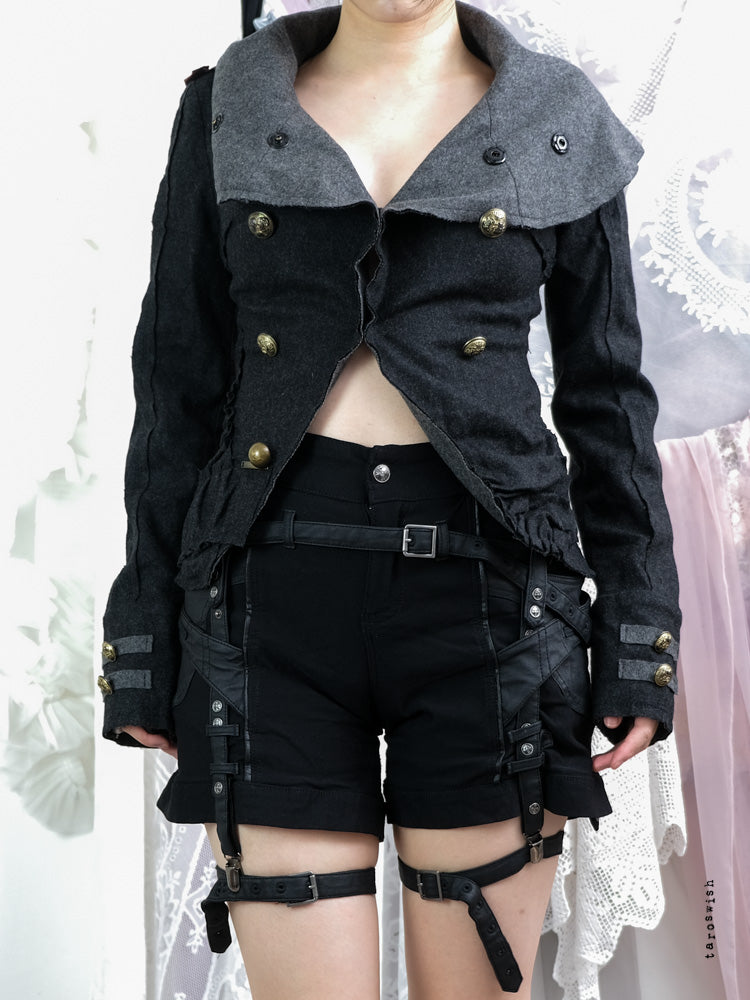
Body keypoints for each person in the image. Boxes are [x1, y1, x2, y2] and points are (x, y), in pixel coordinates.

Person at [99, 1, 681, 997]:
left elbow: (609, 401)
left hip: (496, 605)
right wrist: (143, 628)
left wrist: (639, 634)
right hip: (266, 605)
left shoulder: (555, 112)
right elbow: (175, 385)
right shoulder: (228, 102)